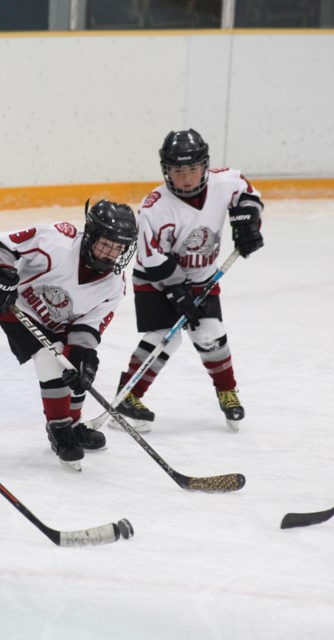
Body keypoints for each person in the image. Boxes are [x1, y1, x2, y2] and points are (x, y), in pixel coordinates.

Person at [109, 129, 264, 433]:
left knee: (210, 334)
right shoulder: (155, 206)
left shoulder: (226, 181)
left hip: (202, 276)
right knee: (164, 336)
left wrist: (248, 222)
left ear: (205, 165)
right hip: (155, 280)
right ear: (166, 170)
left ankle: (226, 391)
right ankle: (127, 398)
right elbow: (152, 258)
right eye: (177, 171)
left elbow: (248, 195)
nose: (187, 178)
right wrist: (177, 292)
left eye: (192, 168)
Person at [0, 200, 138, 471]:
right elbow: (3, 244)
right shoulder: (57, 240)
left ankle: (75, 424)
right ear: (89, 234)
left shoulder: (113, 286)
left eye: (118, 247)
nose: (110, 253)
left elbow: (87, 329)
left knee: (76, 368)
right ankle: (59, 427)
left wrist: (82, 357)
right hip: (18, 308)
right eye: (105, 243)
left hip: (60, 324)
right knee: (50, 353)